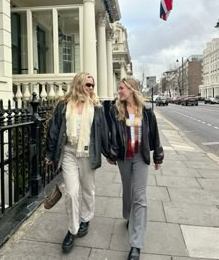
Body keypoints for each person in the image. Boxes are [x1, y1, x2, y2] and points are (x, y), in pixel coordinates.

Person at [46, 72, 109, 253]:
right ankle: (72, 230)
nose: (90, 88)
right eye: (87, 85)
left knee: (88, 189)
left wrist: (110, 153)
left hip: (88, 154)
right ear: (79, 84)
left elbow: (102, 133)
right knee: (72, 192)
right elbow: (54, 130)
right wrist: (50, 155)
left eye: (92, 86)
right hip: (69, 153)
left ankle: (86, 218)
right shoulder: (64, 105)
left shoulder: (96, 107)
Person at [107, 77, 164, 260]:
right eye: (119, 88)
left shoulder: (146, 111)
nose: (119, 91)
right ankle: (128, 215)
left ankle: (136, 245)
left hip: (140, 157)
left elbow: (154, 134)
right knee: (128, 192)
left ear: (132, 89)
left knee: (140, 197)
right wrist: (110, 153)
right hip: (124, 157)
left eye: (122, 88)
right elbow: (111, 134)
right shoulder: (116, 110)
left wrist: (158, 156)